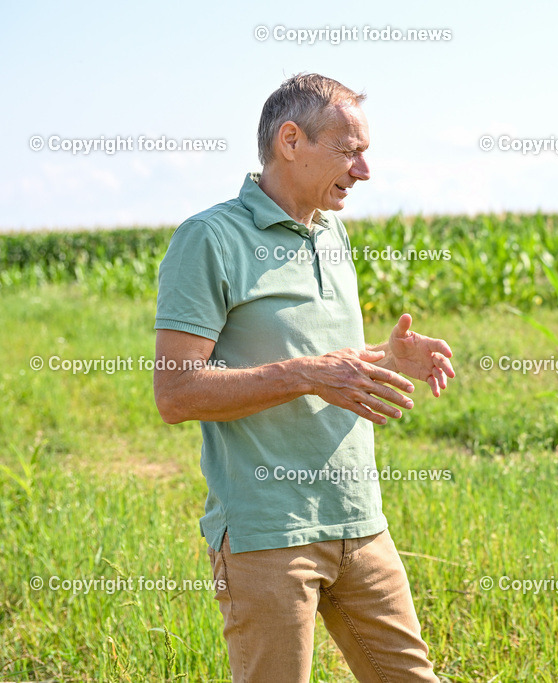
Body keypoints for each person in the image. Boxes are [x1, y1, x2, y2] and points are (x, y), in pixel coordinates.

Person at [152, 74, 455, 682]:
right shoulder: (208, 239)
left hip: (360, 522)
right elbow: (177, 393)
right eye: (349, 151)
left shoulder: (331, 232)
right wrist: (304, 373)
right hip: (269, 535)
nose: (363, 170)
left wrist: (384, 359)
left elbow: (326, 363)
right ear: (291, 140)